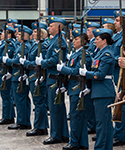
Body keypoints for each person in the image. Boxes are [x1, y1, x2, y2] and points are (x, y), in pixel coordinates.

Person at [79, 28, 115, 150]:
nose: (95, 41)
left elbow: (99, 75)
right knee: (105, 124)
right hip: (99, 91)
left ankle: (100, 147)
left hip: (103, 92)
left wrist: (86, 73)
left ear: (104, 41)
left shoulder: (107, 54)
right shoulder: (100, 53)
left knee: (102, 124)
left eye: (97, 39)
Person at [35, 16, 69, 144]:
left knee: (56, 108)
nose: (48, 28)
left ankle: (56, 135)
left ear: (58, 27)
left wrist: (42, 62)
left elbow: (54, 60)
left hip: (55, 79)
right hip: (52, 78)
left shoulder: (59, 40)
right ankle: (62, 134)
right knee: (57, 108)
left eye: (51, 26)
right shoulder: (54, 40)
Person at [57, 28, 92, 150]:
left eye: (76, 39)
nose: (73, 41)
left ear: (83, 41)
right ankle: (82, 143)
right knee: (78, 117)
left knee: (76, 117)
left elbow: (77, 72)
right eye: (73, 39)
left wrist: (63, 69)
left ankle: (74, 142)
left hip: (78, 88)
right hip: (73, 88)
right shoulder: (75, 53)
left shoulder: (84, 54)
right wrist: (65, 86)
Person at [19, 22, 49, 136]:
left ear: (42, 34)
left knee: (39, 102)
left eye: (36, 31)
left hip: (38, 77)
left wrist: (26, 63)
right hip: (32, 76)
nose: (33, 33)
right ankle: (40, 126)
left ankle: (40, 127)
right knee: (37, 102)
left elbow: (39, 63)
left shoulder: (43, 45)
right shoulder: (35, 44)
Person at [2, 25, 32, 130]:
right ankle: (23, 121)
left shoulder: (25, 47)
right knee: (20, 100)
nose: (17, 35)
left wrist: (7, 60)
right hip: (17, 75)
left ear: (25, 36)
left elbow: (17, 61)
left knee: (20, 100)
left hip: (19, 76)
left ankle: (22, 122)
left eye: (19, 34)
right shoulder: (21, 46)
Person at [112, 10, 125, 146]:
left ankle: (120, 135)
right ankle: (119, 134)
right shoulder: (118, 36)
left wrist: (116, 59)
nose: (114, 22)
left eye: (117, 20)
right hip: (119, 76)